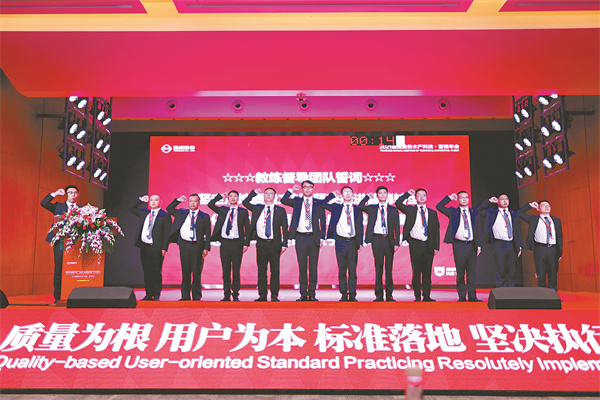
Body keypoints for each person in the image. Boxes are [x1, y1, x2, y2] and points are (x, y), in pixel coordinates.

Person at [281, 181, 334, 301]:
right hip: (300, 237)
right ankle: (303, 294)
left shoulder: (318, 203)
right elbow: (283, 200)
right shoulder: (297, 201)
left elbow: (323, 220)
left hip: (314, 238)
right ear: (302, 189)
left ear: (313, 189)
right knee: (302, 267)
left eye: (310, 187)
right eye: (305, 187)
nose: (307, 189)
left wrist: (322, 237)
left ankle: (312, 293)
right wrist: (291, 190)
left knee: (313, 267)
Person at [436, 191, 487, 302]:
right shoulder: (453, 212)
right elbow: (439, 207)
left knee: (471, 272)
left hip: (471, 245)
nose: (464, 199)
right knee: (460, 272)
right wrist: (449, 198)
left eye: (466, 197)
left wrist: (479, 245)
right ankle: (462, 296)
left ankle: (473, 296)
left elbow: (478, 230)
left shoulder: (473, 212)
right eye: (461, 197)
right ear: (458, 200)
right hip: (459, 245)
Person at [243, 187, 289, 302]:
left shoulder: (280, 210)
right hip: (261, 244)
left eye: (271, 193)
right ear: (263, 196)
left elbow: (284, 228)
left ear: (275, 196)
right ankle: (262, 295)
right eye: (266, 193)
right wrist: (253, 193)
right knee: (261, 271)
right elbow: (245, 202)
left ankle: (274, 295)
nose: (268, 195)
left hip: (275, 244)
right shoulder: (257, 208)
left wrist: (284, 244)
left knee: (275, 271)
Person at [396, 188, 440, 302]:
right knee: (416, 271)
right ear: (415, 197)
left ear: (426, 197)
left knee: (427, 271)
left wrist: (436, 246)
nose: (421, 197)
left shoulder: (432, 213)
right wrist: (407, 194)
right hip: (415, 244)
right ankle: (417, 295)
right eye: (419, 195)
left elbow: (436, 230)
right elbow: (398, 203)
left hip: (428, 245)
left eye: (423, 195)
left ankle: (426, 296)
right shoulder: (411, 210)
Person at [321, 186, 364, 302]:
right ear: (342, 195)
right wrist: (332, 196)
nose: (348, 194)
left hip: (353, 242)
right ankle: (344, 294)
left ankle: (352, 294)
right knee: (342, 270)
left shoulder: (357, 209)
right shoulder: (336, 207)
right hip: (340, 242)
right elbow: (323, 203)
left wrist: (360, 242)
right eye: (345, 192)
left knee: (352, 270)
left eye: (350, 192)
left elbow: (360, 226)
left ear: (353, 194)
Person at [359, 186, 400, 302]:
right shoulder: (372, 208)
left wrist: (397, 242)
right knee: (378, 267)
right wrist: (367, 197)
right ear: (377, 195)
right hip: (377, 240)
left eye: (384, 193)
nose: (382, 195)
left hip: (389, 240)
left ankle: (389, 295)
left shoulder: (393, 210)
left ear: (388, 195)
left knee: (389, 268)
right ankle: (379, 295)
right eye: (380, 193)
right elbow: (360, 206)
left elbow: (397, 227)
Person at [167, 194, 211, 301]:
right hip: (184, 245)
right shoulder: (182, 213)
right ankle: (185, 296)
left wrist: (206, 248)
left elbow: (208, 233)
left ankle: (196, 296)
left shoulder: (204, 216)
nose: (192, 203)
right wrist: (178, 200)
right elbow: (169, 208)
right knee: (185, 271)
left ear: (198, 203)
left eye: (195, 201)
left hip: (198, 246)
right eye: (190, 201)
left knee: (196, 272)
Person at [209, 190, 250, 301]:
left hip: (237, 243)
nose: (232, 198)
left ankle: (236, 294)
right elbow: (210, 204)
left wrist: (246, 243)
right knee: (225, 270)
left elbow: (247, 227)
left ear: (238, 198)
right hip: (225, 243)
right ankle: (226, 294)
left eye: (235, 196)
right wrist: (219, 196)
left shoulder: (243, 211)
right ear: (228, 198)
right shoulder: (223, 210)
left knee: (236, 270)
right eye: (230, 196)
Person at [40, 185, 80, 302]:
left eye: (75, 193)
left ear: (77, 195)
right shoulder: (58, 206)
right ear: (67, 194)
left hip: (76, 243)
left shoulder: (82, 209)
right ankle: (58, 297)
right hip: (61, 241)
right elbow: (44, 203)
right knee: (59, 268)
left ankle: (74, 294)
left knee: (74, 269)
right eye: (70, 192)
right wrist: (56, 193)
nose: (73, 195)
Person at [129, 194, 172, 300]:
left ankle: (156, 293)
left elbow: (167, 233)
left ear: (160, 202)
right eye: (151, 200)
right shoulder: (144, 213)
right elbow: (132, 208)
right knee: (147, 271)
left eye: (156, 200)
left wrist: (164, 247)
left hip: (157, 247)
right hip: (144, 247)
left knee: (156, 271)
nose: (153, 202)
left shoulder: (165, 215)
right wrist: (140, 200)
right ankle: (148, 293)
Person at [518, 200, 563, 290]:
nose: (546, 207)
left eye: (548, 205)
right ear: (538, 208)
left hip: (552, 249)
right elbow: (519, 213)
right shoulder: (534, 219)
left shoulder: (556, 220)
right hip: (540, 249)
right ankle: (543, 295)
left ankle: (552, 295)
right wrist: (530, 205)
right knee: (541, 273)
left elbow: (559, 237)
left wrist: (560, 253)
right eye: (543, 205)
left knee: (553, 274)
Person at [481, 194, 522, 287]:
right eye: (502, 199)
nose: (504, 201)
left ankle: (511, 291)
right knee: (501, 269)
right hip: (499, 244)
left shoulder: (513, 213)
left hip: (512, 244)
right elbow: (479, 210)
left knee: (512, 269)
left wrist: (519, 245)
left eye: (506, 199)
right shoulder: (492, 213)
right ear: (498, 202)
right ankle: (501, 291)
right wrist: (489, 201)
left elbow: (517, 230)